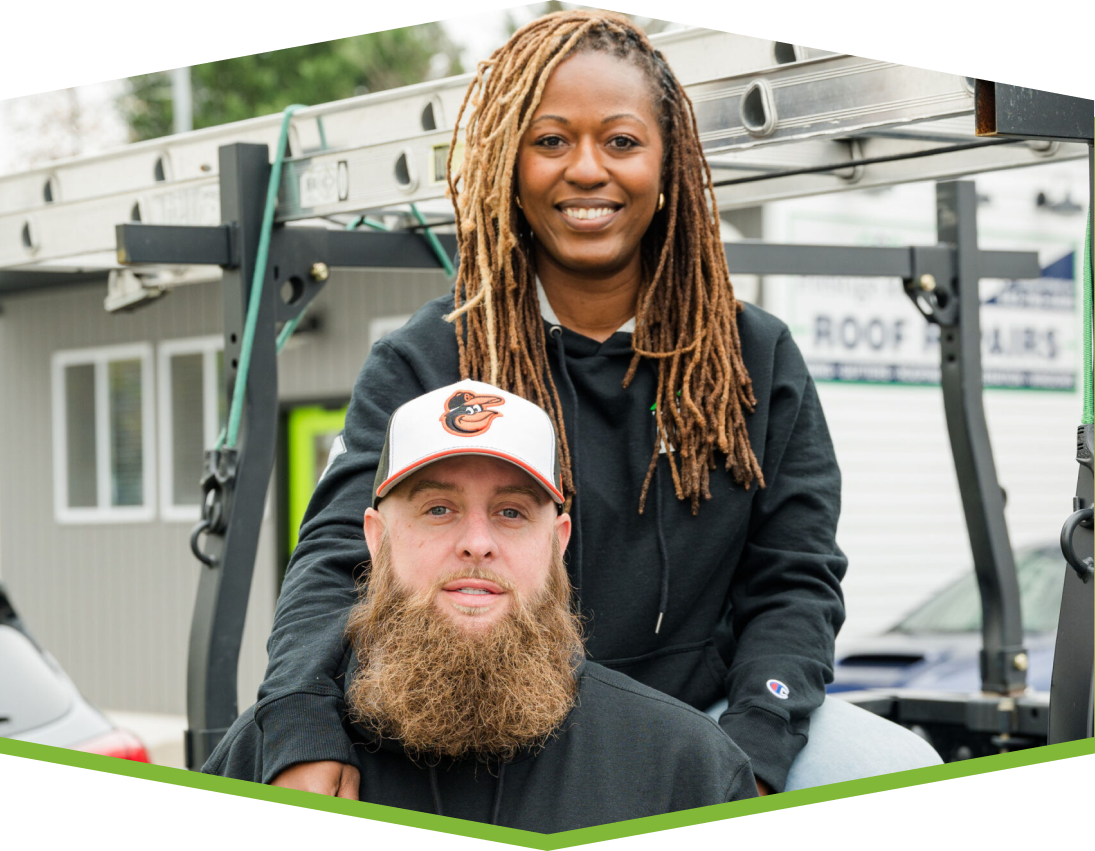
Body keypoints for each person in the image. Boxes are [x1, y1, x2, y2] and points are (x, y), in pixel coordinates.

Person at [255, 11, 941, 800]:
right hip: (491, 723)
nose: (587, 170)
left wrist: (753, 745)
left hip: (697, 716)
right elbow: (337, 556)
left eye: (620, 141)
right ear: (508, 166)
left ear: (667, 165)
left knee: (891, 768)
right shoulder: (428, 357)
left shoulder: (752, 360)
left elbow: (794, 580)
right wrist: (300, 721)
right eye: (550, 141)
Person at [205, 382, 758, 829]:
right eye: (439, 508)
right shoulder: (274, 761)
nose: (477, 541)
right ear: (377, 539)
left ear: (558, 541)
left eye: (512, 512)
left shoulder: (681, 769)